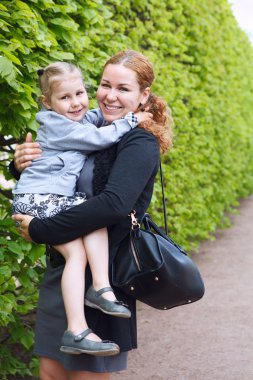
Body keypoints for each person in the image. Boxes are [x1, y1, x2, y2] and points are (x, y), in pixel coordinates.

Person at [11, 50, 173, 380]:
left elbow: (113, 204)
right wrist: (19, 166)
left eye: (123, 88)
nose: (110, 95)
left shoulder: (139, 140)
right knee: (51, 372)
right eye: (104, 84)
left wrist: (42, 229)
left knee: (86, 376)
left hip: (105, 276)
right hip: (65, 271)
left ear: (143, 96)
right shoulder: (86, 125)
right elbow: (59, 177)